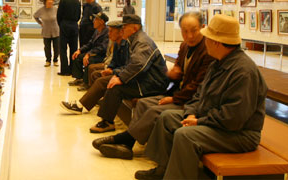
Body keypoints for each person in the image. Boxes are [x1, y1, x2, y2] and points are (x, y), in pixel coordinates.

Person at [135, 14, 268, 180]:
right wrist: (191, 113)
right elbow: (200, 95)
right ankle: (164, 168)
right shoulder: (218, 62)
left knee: (186, 136)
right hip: (214, 121)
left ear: (216, 42)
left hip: (239, 134)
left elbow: (234, 118)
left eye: (207, 38)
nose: (204, 42)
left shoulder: (243, 72)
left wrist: (199, 121)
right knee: (167, 117)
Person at [92, 11, 215, 159]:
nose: (189, 36)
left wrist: (174, 98)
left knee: (152, 109)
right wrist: (173, 75)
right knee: (143, 104)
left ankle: (125, 139)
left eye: (194, 31)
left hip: (187, 99)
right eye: (184, 31)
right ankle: (128, 144)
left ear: (203, 27)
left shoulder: (208, 51)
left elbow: (198, 85)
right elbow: (178, 72)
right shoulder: (185, 46)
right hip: (177, 92)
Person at [90, 14, 170, 133]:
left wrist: (121, 78)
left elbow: (138, 64)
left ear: (134, 28)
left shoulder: (142, 42)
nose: (122, 30)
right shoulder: (135, 39)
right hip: (146, 78)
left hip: (153, 83)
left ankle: (107, 122)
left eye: (125, 27)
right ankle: (106, 119)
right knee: (113, 83)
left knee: (116, 87)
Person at [61, 20, 129, 114]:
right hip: (118, 71)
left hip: (124, 75)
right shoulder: (117, 43)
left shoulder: (126, 45)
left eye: (111, 31)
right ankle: (94, 100)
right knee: (96, 74)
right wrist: (110, 68)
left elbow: (128, 66)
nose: (109, 34)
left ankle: (80, 106)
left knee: (100, 80)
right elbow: (114, 61)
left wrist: (113, 71)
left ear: (120, 32)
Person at [69, 12, 109, 89]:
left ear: (101, 22)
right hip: (94, 53)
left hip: (101, 55)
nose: (93, 21)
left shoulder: (107, 32)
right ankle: (79, 78)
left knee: (89, 61)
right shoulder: (97, 31)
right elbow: (90, 43)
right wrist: (79, 50)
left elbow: (102, 48)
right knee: (77, 56)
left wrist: (89, 54)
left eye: (96, 19)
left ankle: (87, 83)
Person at [57, 0, 81, 76]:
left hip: (64, 25)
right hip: (74, 25)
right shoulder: (77, 2)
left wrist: (61, 24)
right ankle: (73, 69)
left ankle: (65, 70)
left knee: (63, 49)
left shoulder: (63, 1)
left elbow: (59, 15)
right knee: (73, 48)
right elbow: (79, 15)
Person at [34, 0, 60, 67]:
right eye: (49, 0)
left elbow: (60, 17)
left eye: (51, 0)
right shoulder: (41, 10)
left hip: (56, 31)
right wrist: (40, 23)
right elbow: (35, 16)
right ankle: (48, 60)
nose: (50, 1)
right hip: (46, 31)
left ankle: (55, 60)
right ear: (45, 1)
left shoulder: (56, 9)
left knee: (57, 47)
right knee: (47, 47)